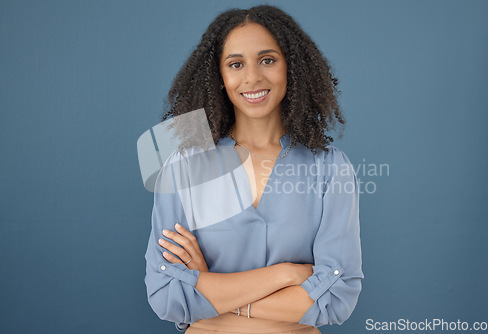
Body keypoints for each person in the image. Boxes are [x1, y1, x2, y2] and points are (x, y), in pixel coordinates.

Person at [144, 5, 363, 333]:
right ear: (218, 77)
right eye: (235, 64)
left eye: (268, 60)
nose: (252, 78)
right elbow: (166, 294)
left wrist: (209, 288)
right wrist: (286, 275)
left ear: (292, 67)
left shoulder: (331, 168)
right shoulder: (183, 165)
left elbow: (337, 297)